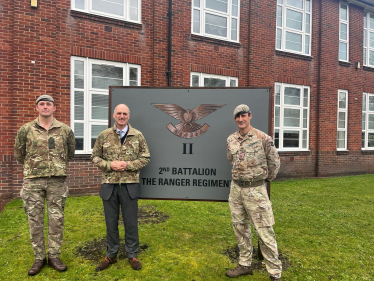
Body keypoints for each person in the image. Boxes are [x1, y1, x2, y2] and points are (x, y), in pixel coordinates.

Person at [14, 94, 75, 276]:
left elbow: (70, 152)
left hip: (57, 181)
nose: (45, 107)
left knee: (56, 220)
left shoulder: (65, 130)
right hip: (33, 180)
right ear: (37, 108)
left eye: (49, 104)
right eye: (42, 104)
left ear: (54, 108)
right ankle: (39, 258)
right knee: (35, 220)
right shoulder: (26, 129)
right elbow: (19, 153)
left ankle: (54, 256)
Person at [225, 104, 282, 281]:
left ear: (250, 116)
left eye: (243, 116)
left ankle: (274, 273)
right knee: (240, 227)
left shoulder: (263, 138)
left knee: (264, 231)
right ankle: (244, 264)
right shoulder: (231, 139)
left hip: (255, 190)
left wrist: (263, 181)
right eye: (237, 117)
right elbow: (231, 159)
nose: (240, 120)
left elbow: (274, 163)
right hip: (236, 190)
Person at [91, 104, 150, 272]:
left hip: (129, 185)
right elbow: (94, 157)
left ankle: (132, 254)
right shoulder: (104, 135)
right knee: (111, 222)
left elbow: (146, 157)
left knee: (131, 222)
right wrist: (110, 165)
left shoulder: (137, 136)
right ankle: (111, 254)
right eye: (119, 113)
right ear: (113, 115)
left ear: (129, 116)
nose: (122, 116)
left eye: (124, 114)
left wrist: (128, 165)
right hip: (109, 184)